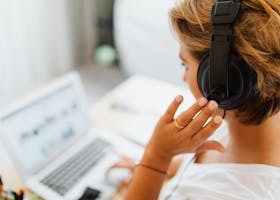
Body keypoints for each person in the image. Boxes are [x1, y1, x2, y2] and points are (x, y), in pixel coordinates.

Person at [109, 0, 280, 199]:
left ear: (221, 79)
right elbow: (204, 168)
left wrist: (156, 157)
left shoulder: (233, 194)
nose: (184, 77)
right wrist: (153, 171)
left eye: (186, 65)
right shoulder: (250, 116)